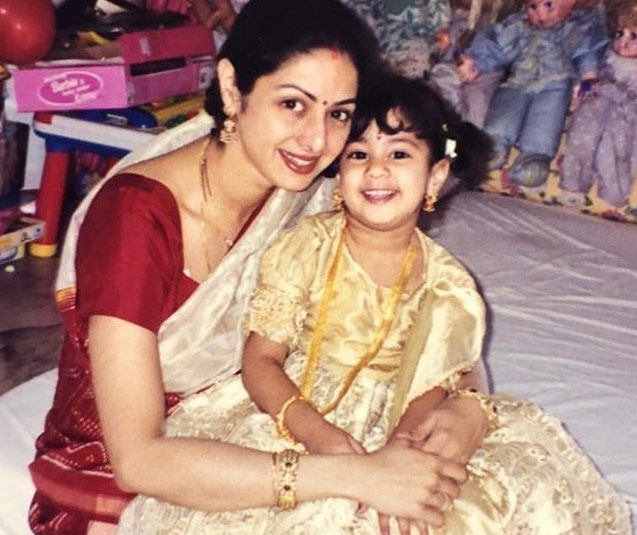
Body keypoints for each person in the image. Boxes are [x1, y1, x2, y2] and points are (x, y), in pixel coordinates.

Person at [117, 73, 631, 535]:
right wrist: (317, 434)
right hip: (292, 413)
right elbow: (260, 360)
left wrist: (402, 454)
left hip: (403, 421)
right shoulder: (305, 246)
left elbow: (437, 381)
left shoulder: (449, 285)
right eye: (358, 155)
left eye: (399, 154)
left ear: (434, 177)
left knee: (466, 506)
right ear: (338, 176)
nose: (377, 170)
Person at [27, 1, 468, 533]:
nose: (316, 141)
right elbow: (138, 460)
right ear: (233, 89)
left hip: (255, 426)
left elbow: (433, 305)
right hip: (122, 471)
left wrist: (465, 411)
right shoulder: (135, 218)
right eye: (292, 104)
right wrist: (354, 475)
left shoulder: (311, 195)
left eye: (338, 114)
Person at [457, 0, 609, 186]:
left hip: (555, 84)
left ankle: (534, 157)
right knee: (505, 111)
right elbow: (498, 45)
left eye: (549, 5)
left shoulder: (576, 27)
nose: (541, 14)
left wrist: (588, 76)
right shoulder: (519, 25)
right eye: (533, 7)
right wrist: (478, 63)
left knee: (546, 119)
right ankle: (493, 144)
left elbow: (586, 52)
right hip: (518, 80)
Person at [560, 0, 637, 206]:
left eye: (633, 36)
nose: (623, 40)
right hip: (594, 106)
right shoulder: (607, 57)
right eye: (620, 33)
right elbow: (586, 75)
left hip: (626, 115)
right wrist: (579, 90)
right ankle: (573, 184)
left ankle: (613, 192)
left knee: (617, 152)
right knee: (581, 138)